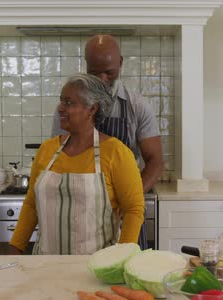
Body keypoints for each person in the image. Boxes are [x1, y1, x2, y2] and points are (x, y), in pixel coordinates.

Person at [9, 74, 145, 255]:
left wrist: (121, 258)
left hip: (95, 269)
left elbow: (133, 210)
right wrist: (15, 247)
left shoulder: (116, 153)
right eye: (61, 101)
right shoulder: (47, 150)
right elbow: (32, 204)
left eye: (69, 103)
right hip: (44, 265)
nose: (60, 108)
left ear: (92, 109)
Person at [51, 35, 163, 193]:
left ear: (121, 62)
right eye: (95, 72)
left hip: (125, 192)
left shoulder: (138, 106)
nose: (102, 79)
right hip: (79, 196)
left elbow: (155, 161)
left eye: (109, 72)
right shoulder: (66, 110)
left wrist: (132, 196)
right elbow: (56, 157)